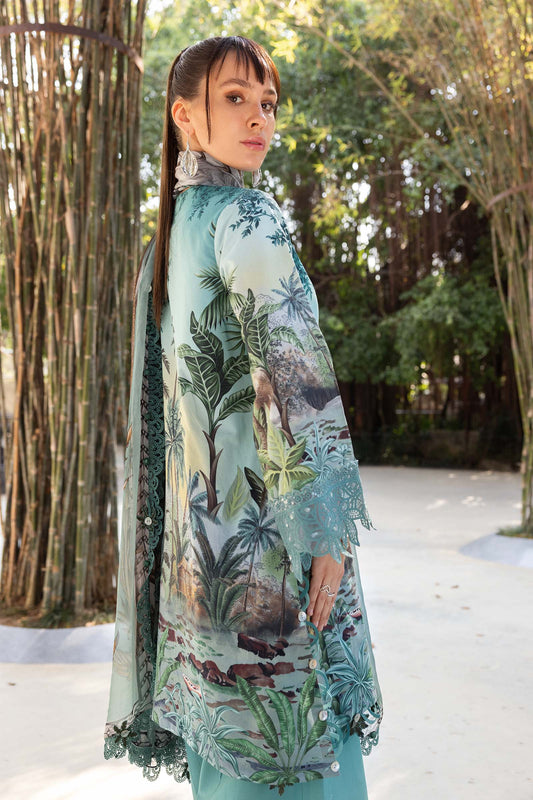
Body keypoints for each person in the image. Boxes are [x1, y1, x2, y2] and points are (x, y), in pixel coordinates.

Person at [104, 35, 382, 799]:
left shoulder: (169, 240)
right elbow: (295, 380)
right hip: (271, 558)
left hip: (198, 573)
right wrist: (326, 531)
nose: (259, 117)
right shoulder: (244, 217)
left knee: (227, 774)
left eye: (267, 102)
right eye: (235, 98)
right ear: (184, 116)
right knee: (301, 763)